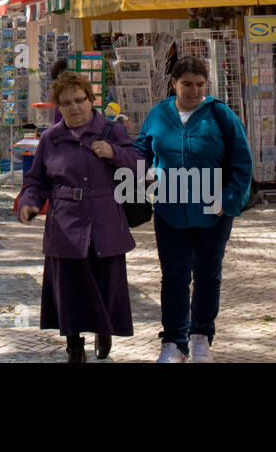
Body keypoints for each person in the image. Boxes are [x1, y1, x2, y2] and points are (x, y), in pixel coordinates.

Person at [134, 55, 253, 363]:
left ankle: (201, 335)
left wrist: (227, 202)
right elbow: (140, 152)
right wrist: (144, 183)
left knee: (207, 275)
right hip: (170, 210)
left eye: (200, 84)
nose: (194, 91)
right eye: (187, 84)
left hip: (212, 213)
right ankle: (173, 342)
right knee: (173, 277)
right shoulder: (158, 115)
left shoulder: (221, 115)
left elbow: (242, 163)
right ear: (174, 83)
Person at [19, 71, 139, 362]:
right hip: (65, 223)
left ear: (91, 99)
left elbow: (139, 165)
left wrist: (113, 153)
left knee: (105, 281)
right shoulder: (50, 139)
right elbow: (35, 181)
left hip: (105, 220)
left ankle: (104, 330)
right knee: (70, 286)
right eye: (66, 102)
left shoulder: (112, 131)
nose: (74, 107)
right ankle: (74, 343)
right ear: (58, 107)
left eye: (79, 100)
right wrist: (29, 202)